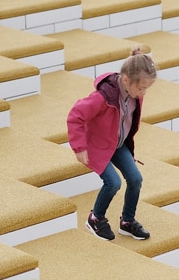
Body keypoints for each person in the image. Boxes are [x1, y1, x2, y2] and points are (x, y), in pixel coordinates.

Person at [67, 48, 156, 241]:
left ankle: (127, 221)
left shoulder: (132, 89)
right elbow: (76, 116)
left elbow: (133, 71)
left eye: (146, 88)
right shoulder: (103, 97)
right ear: (126, 81)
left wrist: (136, 60)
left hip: (117, 143)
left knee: (135, 179)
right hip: (97, 146)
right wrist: (79, 147)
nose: (143, 93)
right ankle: (95, 218)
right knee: (113, 182)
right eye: (141, 88)